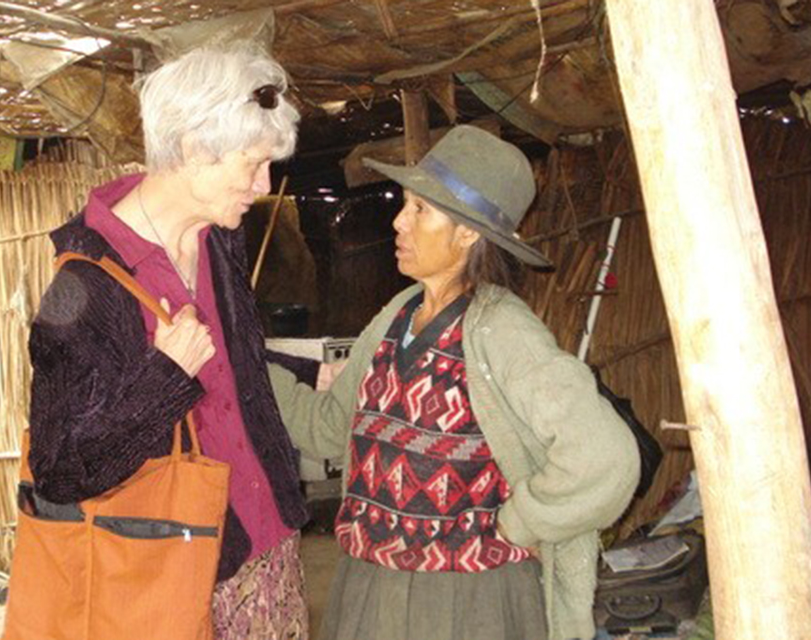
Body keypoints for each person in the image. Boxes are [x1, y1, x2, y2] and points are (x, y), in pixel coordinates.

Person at [269, 125, 640, 640]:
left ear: (467, 233)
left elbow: (606, 458)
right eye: (405, 204)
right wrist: (247, 372)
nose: (398, 221)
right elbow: (329, 427)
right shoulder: (396, 317)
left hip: (465, 604)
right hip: (369, 587)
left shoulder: (502, 332)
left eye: (420, 209)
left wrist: (518, 524)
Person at [20, 44, 309, 638]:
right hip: (174, 569)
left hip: (268, 538)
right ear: (195, 150)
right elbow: (61, 470)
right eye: (254, 164)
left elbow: (229, 360)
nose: (264, 184)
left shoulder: (215, 238)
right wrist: (166, 378)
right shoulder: (85, 288)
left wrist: (300, 370)